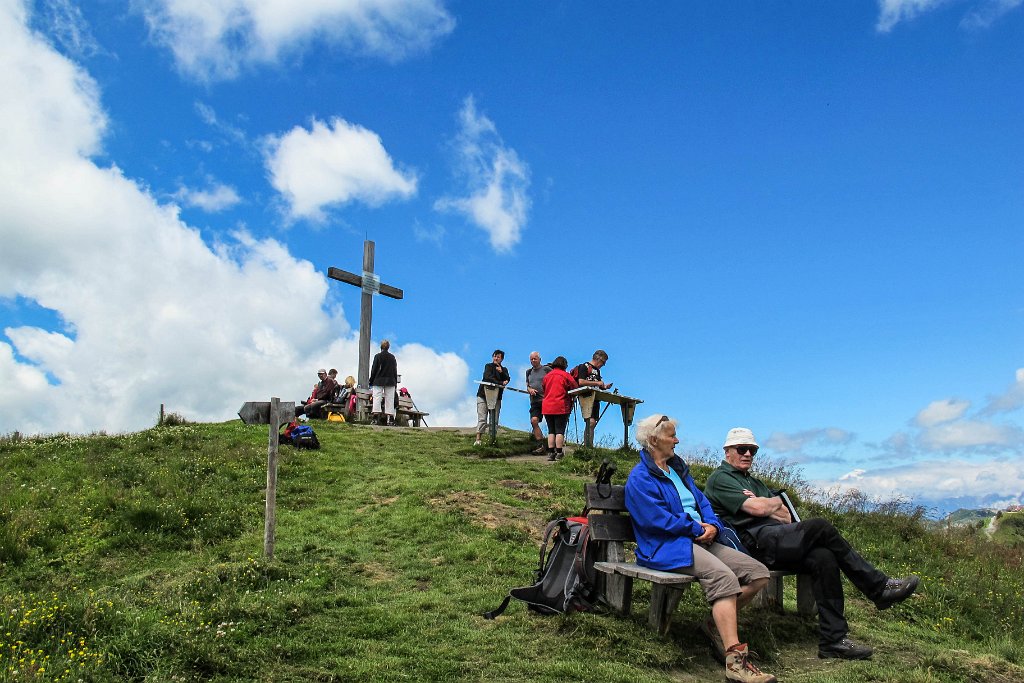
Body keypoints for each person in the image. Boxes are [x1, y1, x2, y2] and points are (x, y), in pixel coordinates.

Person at [704, 427, 920, 661]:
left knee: (823, 557)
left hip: (777, 538)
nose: (747, 454)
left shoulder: (754, 482)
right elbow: (760, 509)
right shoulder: (720, 478)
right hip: (755, 544)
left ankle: (833, 641)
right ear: (727, 451)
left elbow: (786, 515)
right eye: (742, 449)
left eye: (752, 450)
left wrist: (766, 503)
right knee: (819, 526)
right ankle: (878, 588)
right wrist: (770, 502)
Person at [625, 414, 776, 683]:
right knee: (724, 578)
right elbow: (656, 520)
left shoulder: (678, 470)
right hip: (665, 546)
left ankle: (713, 623)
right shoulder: (640, 478)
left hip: (699, 538)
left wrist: (713, 527)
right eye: (671, 435)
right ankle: (735, 663)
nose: (677, 439)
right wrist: (697, 529)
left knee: (758, 573)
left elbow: (702, 503)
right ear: (653, 440)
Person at [540, 356, 578, 461]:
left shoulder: (547, 376)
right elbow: (575, 387)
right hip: (561, 406)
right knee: (560, 430)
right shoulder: (566, 375)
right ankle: (559, 452)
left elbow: (543, 387)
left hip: (547, 406)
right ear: (564, 365)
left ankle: (551, 452)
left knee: (551, 430)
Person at [573, 350, 612, 440]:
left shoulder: (597, 371)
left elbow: (596, 383)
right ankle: (588, 446)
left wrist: (604, 387)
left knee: (593, 422)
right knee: (590, 422)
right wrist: (598, 383)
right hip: (586, 397)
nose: (603, 365)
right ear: (598, 359)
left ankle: (589, 445)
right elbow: (581, 382)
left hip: (595, 397)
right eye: (603, 362)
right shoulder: (584, 367)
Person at [474, 350, 510, 445]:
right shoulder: (488, 366)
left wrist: (501, 373)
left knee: (494, 419)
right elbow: (487, 377)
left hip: (496, 397)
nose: (496, 358)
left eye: (498, 357)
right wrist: (500, 383)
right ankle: (478, 439)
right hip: (483, 395)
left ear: (502, 359)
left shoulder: (504, 369)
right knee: (482, 417)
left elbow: (507, 379)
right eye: (494, 356)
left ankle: (492, 440)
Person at [525, 352, 551, 454]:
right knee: (534, 421)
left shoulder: (546, 369)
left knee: (551, 423)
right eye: (531, 359)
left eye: (535, 359)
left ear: (540, 359)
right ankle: (540, 445)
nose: (533, 361)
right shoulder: (528, 372)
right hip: (535, 401)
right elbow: (527, 385)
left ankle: (552, 445)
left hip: (547, 400)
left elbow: (554, 380)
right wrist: (530, 389)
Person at [369, 340, 399, 426]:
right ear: (388, 347)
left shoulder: (377, 356)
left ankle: (375, 418)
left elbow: (374, 369)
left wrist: (371, 380)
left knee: (377, 398)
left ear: (381, 347)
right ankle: (391, 420)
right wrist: (395, 382)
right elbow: (394, 370)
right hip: (390, 380)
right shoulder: (392, 357)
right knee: (390, 399)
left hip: (378, 380)